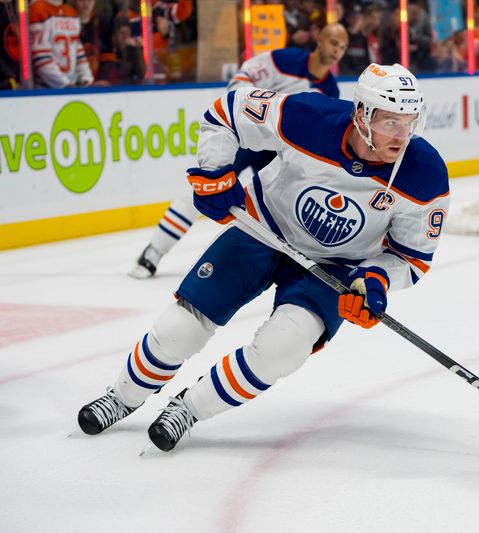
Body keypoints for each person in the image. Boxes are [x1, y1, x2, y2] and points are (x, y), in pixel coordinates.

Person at [77, 62, 449, 452]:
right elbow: (226, 112)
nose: (403, 136)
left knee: (283, 350)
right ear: (361, 114)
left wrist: (375, 280)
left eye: (410, 122)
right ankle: (121, 397)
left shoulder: (424, 174)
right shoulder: (308, 116)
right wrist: (213, 172)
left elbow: (410, 258)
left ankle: (189, 409)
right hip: (263, 229)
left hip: (334, 267)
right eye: (391, 122)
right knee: (180, 328)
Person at [128, 23, 348, 279]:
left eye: (343, 47)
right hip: (243, 137)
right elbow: (241, 81)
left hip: (276, 151)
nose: (337, 51)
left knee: (290, 204)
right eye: (334, 42)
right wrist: (246, 114)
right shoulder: (283, 60)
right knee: (205, 186)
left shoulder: (330, 89)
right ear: (318, 38)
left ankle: (286, 266)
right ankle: (153, 251)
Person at [29, 0, 94, 88]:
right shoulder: (38, 9)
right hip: (46, 90)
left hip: (70, 86)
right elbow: (40, 57)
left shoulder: (71, 12)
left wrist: (86, 77)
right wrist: (64, 84)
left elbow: (78, 52)